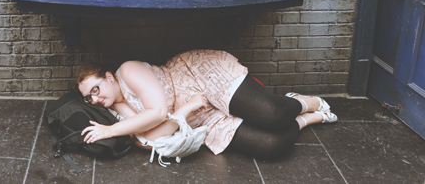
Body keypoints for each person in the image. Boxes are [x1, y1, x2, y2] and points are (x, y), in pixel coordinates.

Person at [77, 50, 337, 160]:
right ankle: (306, 119)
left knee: (274, 114)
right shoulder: (118, 109)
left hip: (198, 78)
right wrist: (187, 109)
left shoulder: (127, 71)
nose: (95, 99)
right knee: (272, 146)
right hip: (196, 116)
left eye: (95, 89)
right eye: (89, 98)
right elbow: (147, 141)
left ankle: (302, 102)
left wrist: (110, 131)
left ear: (108, 77)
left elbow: (157, 113)